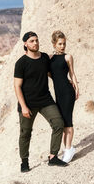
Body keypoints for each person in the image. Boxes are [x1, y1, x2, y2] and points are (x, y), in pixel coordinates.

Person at [14, 31, 68, 173]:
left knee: (58, 123)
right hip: (28, 104)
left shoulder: (44, 57)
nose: (35, 43)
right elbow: (17, 86)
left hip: (45, 100)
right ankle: (24, 162)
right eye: (32, 41)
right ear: (25, 44)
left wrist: (67, 82)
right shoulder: (21, 63)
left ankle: (53, 156)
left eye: (36, 40)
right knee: (25, 133)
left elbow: (52, 74)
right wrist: (24, 107)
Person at [49, 30, 79, 163]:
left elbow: (72, 74)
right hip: (58, 93)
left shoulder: (68, 57)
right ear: (54, 44)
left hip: (68, 92)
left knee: (68, 120)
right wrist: (57, 78)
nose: (62, 46)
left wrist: (77, 88)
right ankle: (67, 149)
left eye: (64, 43)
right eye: (60, 44)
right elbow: (50, 73)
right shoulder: (49, 58)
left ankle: (68, 149)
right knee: (61, 122)